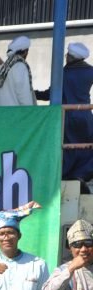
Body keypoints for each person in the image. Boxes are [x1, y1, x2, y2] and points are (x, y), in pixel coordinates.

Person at [36, 42, 93, 191]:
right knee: (87, 146)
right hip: (85, 117)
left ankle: (66, 175)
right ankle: (81, 174)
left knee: (66, 148)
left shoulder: (63, 73)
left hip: (66, 117)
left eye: (67, 55)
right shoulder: (90, 71)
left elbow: (50, 94)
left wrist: (33, 93)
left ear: (71, 57)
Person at [0, 36, 36, 107]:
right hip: (16, 116)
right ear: (25, 52)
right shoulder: (20, 67)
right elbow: (25, 97)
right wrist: (30, 113)